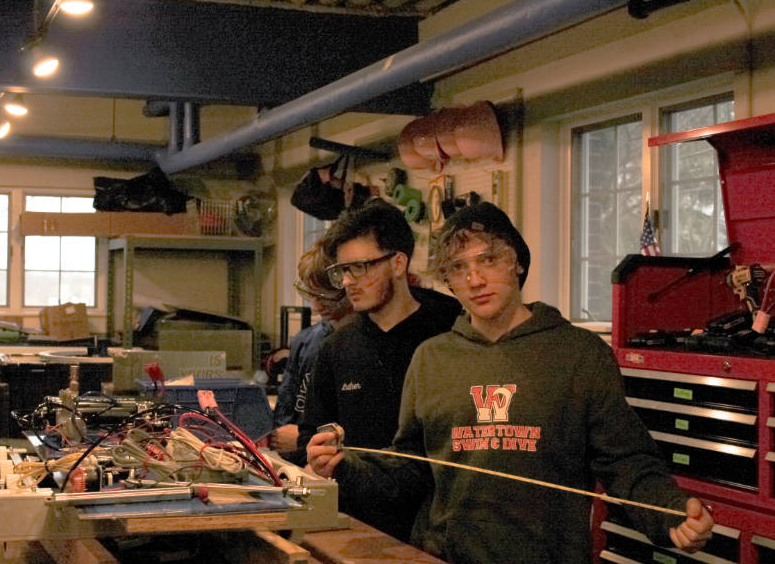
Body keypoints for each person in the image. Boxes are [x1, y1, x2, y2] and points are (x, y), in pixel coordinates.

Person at [307, 201, 714, 563]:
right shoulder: (431, 359)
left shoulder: (579, 354)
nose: (475, 280)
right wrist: (346, 467)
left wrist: (668, 510)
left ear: (517, 261)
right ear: (448, 280)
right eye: (459, 268)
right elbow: (411, 467)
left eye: (487, 260)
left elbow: (625, 460)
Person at [297, 198, 460, 539]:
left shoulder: (452, 331)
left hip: (441, 529)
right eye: (342, 270)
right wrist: (317, 457)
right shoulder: (336, 350)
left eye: (361, 267)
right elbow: (310, 435)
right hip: (361, 528)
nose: (347, 282)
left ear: (398, 263)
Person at [270, 240, 355, 464]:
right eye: (312, 295)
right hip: (298, 464)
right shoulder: (305, 341)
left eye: (324, 296)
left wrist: (301, 439)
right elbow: (286, 407)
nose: (316, 306)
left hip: (337, 464)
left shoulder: (362, 345)